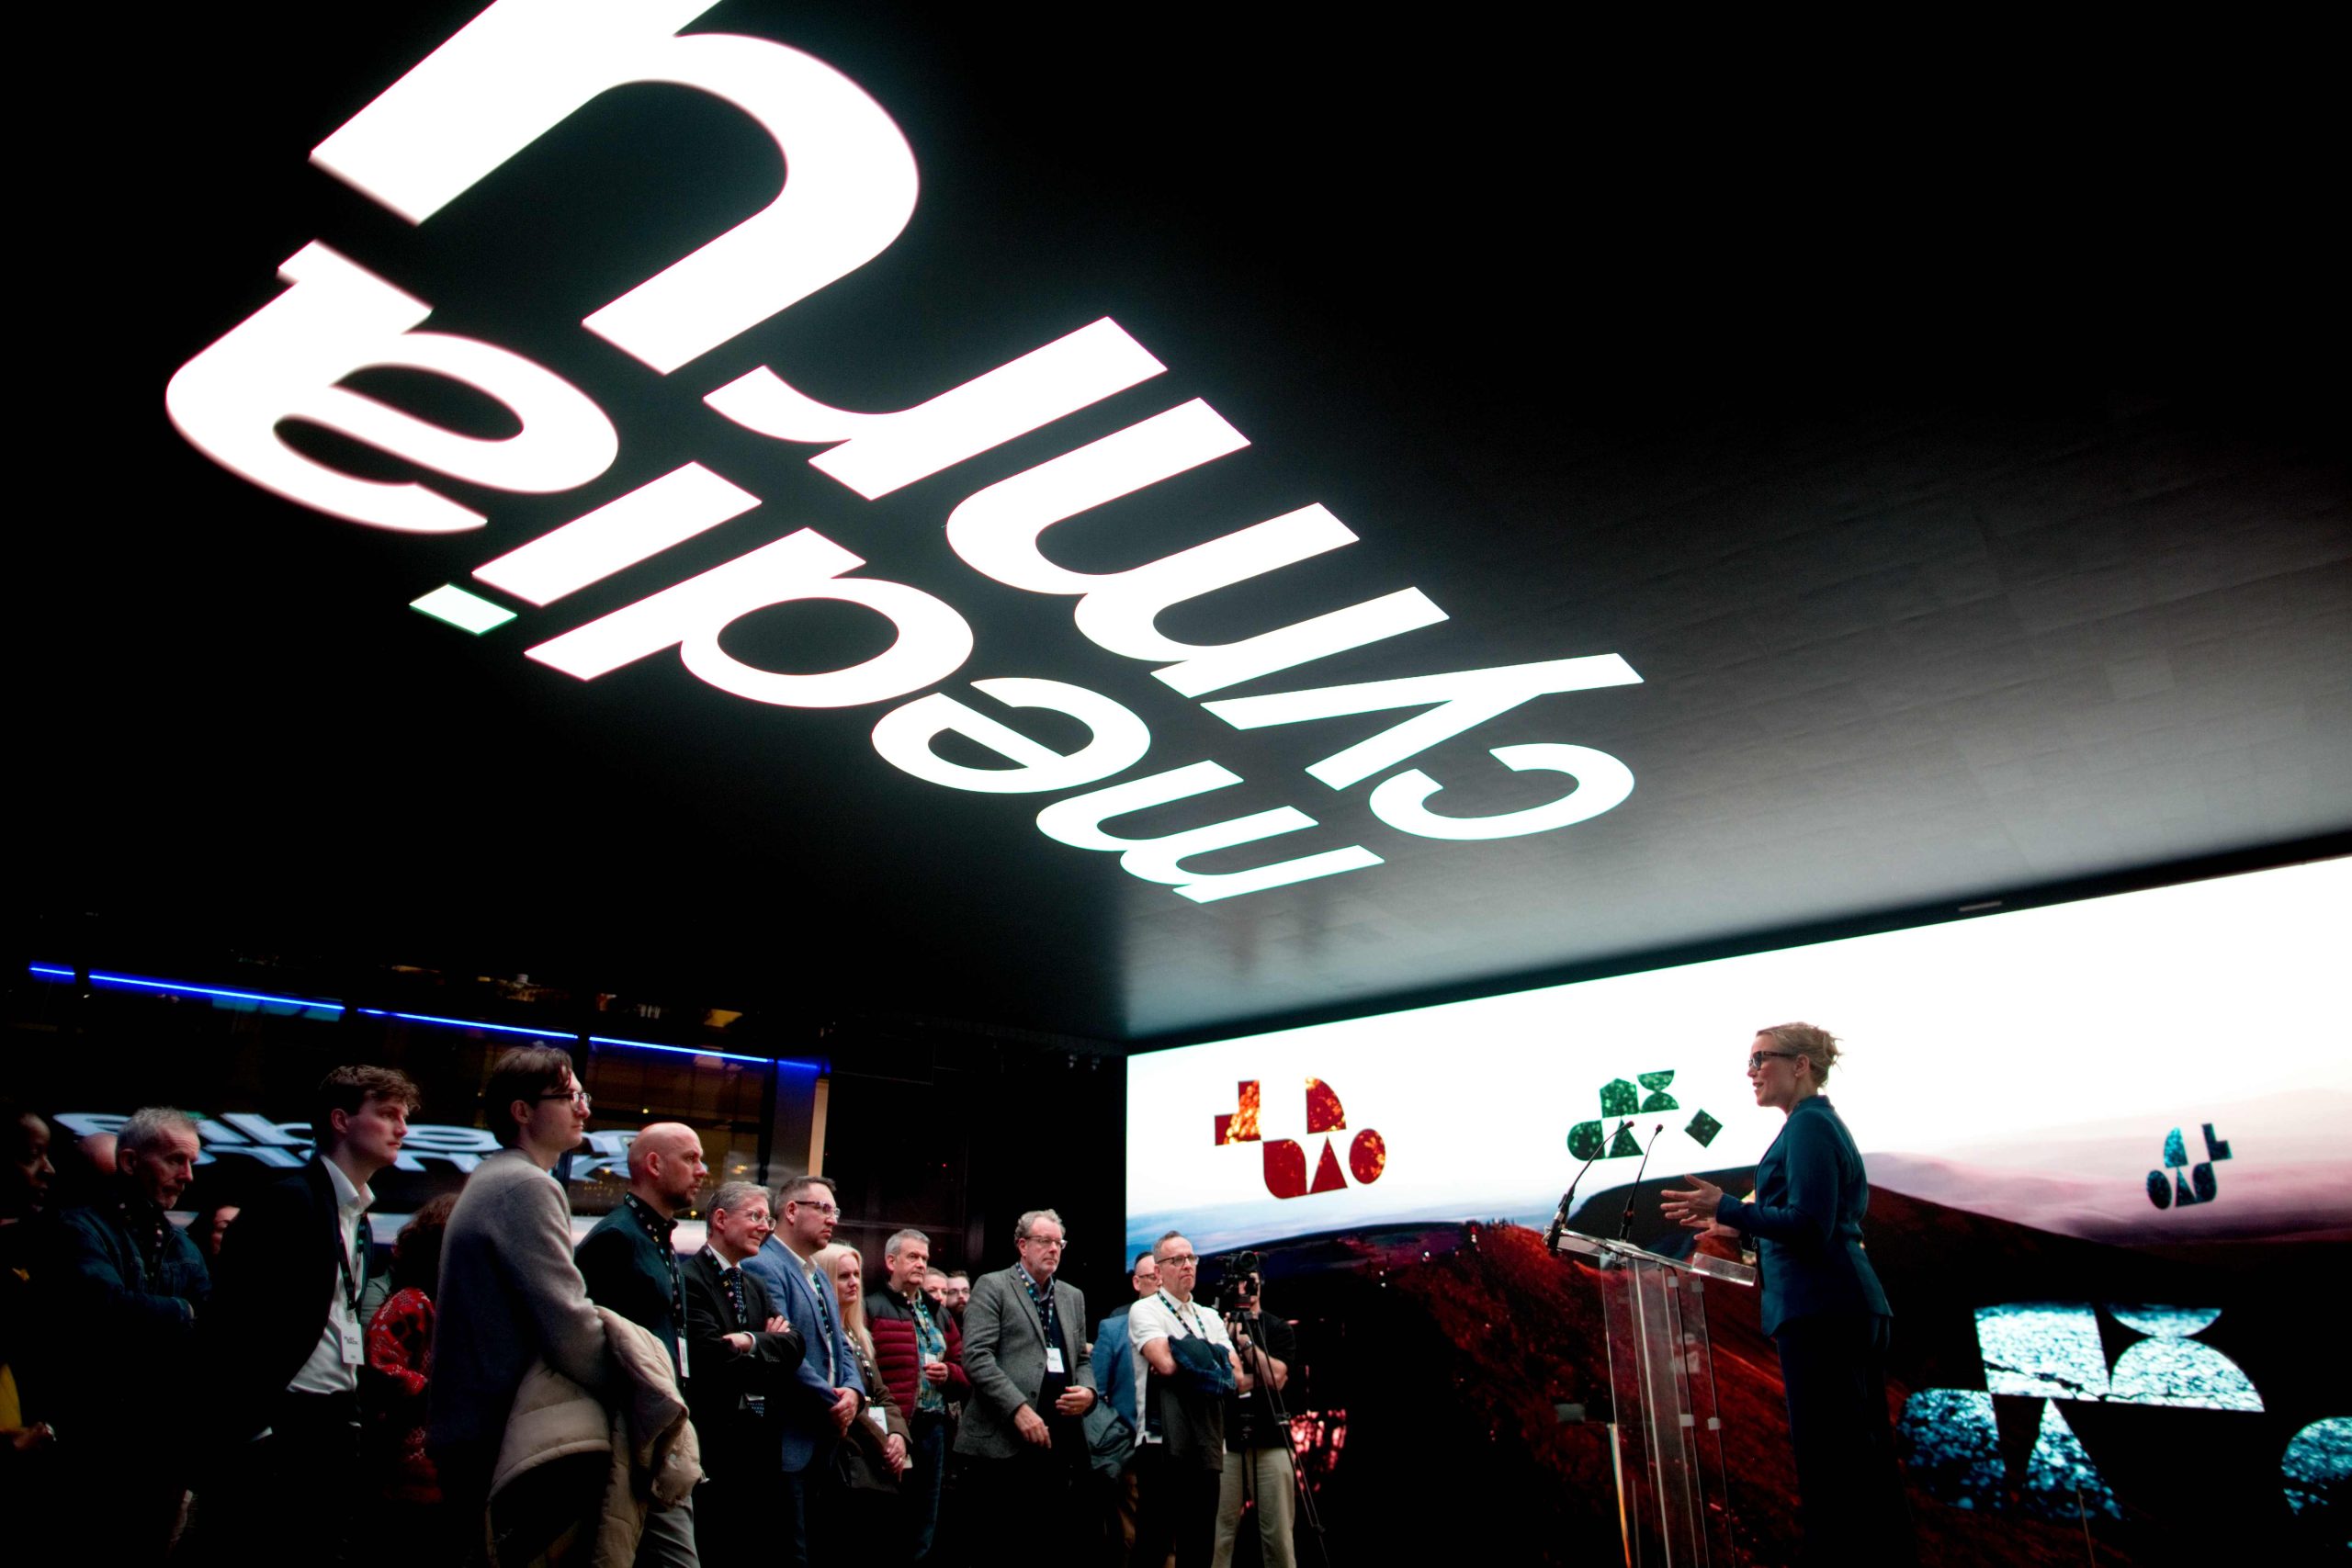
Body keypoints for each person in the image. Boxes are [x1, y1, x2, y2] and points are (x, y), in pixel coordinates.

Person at [1660, 1023, 1915, 1568]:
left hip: (1822, 1309)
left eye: (1761, 1059)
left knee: (1834, 1471)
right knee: (1857, 1468)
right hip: (1835, 1304)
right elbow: (1808, 1224)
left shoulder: (1809, 1128)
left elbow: (1810, 1225)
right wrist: (1737, 1228)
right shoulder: (1811, 1126)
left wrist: (1729, 1209)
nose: (1750, 1071)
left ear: (1801, 1065)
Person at [202, 1064, 423, 1562]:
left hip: (335, 1418)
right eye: (387, 1114)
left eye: (404, 1117)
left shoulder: (359, 1218)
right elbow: (235, 1321)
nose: (402, 1128)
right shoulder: (287, 1203)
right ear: (341, 1120)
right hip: (283, 1423)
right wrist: (254, 1430)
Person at [428, 1047, 609, 1553]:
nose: (583, 1109)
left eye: (582, 1096)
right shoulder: (526, 1186)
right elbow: (567, 1319)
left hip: (477, 1431)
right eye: (569, 1096)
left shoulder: (500, 1177)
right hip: (498, 1436)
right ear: (522, 1112)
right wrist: (630, 1377)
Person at [46, 1106, 210, 1551]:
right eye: (177, 1160)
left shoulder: (184, 1248)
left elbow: (213, 1331)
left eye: (192, 1162)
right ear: (131, 1162)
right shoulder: (78, 1228)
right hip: (92, 1445)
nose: (188, 1175)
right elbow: (105, 1309)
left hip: (162, 1448)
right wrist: (186, 1315)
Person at [575, 1122, 709, 1566]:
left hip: (658, 1430)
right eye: (691, 1158)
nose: (703, 1170)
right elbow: (594, 1345)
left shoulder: (660, 1238)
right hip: (628, 1434)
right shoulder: (618, 1238)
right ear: (654, 1164)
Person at [954, 1209, 1097, 1554]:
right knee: (1003, 1545)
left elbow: (1080, 1358)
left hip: (1058, 1439)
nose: (1053, 1249)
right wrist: (1017, 1409)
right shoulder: (993, 1286)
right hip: (1002, 1443)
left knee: (1050, 1543)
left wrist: (1089, 1392)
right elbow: (976, 1357)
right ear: (1022, 1245)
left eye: (1058, 1242)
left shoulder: (1072, 1296)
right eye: (1043, 1241)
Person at [741, 1175, 865, 1566]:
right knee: (787, 1552)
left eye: (836, 1211)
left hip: (825, 1439)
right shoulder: (763, 1265)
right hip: (787, 1437)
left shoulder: (814, 1272)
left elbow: (840, 1344)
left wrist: (853, 1392)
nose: (833, 1220)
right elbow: (784, 1354)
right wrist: (834, 1401)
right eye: (824, 1209)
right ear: (792, 1211)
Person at [681, 1181, 804, 1565]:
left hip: (758, 1447)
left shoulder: (753, 1283)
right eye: (755, 1216)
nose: (765, 1227)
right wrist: (769, 1346)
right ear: (720, 1219)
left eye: (768, 1218)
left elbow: (795, 1347)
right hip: (713, 1445)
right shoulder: (688, 1280)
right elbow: (708, 1358)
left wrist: (750, 1341)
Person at [1127, 1231, 1242, 1568]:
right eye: (1177, 1259)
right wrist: (1211, 1357)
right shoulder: (1144, 1310)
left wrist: (1184, 1352)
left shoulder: (1208, 1316)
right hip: (1161, 1443)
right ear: (1159, 1270)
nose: (1187, 1265)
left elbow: (1233, 1374)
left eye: (1191, 1258)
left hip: (1206, 1442)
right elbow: (1162, 1361)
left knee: (1199, 1546)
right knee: (1154, 1543)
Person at [360, 1193, 459, 1562]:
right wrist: (437, 1395)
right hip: (408, 1472)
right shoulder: (412, 1302)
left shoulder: (456, 1304)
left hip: (447, 1473)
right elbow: (380, 1368)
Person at [866, 1227, 968, 1561]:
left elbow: (963, 1365)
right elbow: (862, 1367)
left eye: (925, 1258)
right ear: (891, 1261)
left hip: (933, 1426)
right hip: (890, 1428)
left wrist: (949, 1373)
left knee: (925, 1517)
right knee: (886, 1517)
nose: (921, 1264)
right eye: (913, 1257)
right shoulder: (872, 1306)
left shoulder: (937, 1312)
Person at [813, 1242, 912, 1556]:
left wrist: (898, 1434)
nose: (854, 1282)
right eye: (843, 1277)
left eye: (856, 1275)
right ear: (826, 1281)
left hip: (875, 1454)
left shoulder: (857, 1333)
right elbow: (847, 1403)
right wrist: (885, 1444)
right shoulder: (825, 1334)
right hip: (848, 1459)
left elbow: (881, 1392)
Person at [1213, 1269, 1296, 1568]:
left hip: (1271, 1439)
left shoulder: (1277, 1328)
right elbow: (1226, 1381)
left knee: (1277, 1536)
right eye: (1239, 1281)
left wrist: (1247, 1344)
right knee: (1217, 1536)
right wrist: (1259, 1377)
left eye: (1251, 1281)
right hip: (1226, 1443)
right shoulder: (1216, 1326)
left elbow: (1278, 1376)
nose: (1246, 1288)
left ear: (1261, 1284)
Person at [1094, 1248, 1161, 1561]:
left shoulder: (1189, 1323)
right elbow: (1097, 1391)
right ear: (1137, 1282)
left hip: (1176, 1451)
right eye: (1151, 1277)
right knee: (1130, 1541)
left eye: (1163, 1276)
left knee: (1171, 1541)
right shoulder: (1115, 1327)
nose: (1159, 1283)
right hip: (1131, 1448)